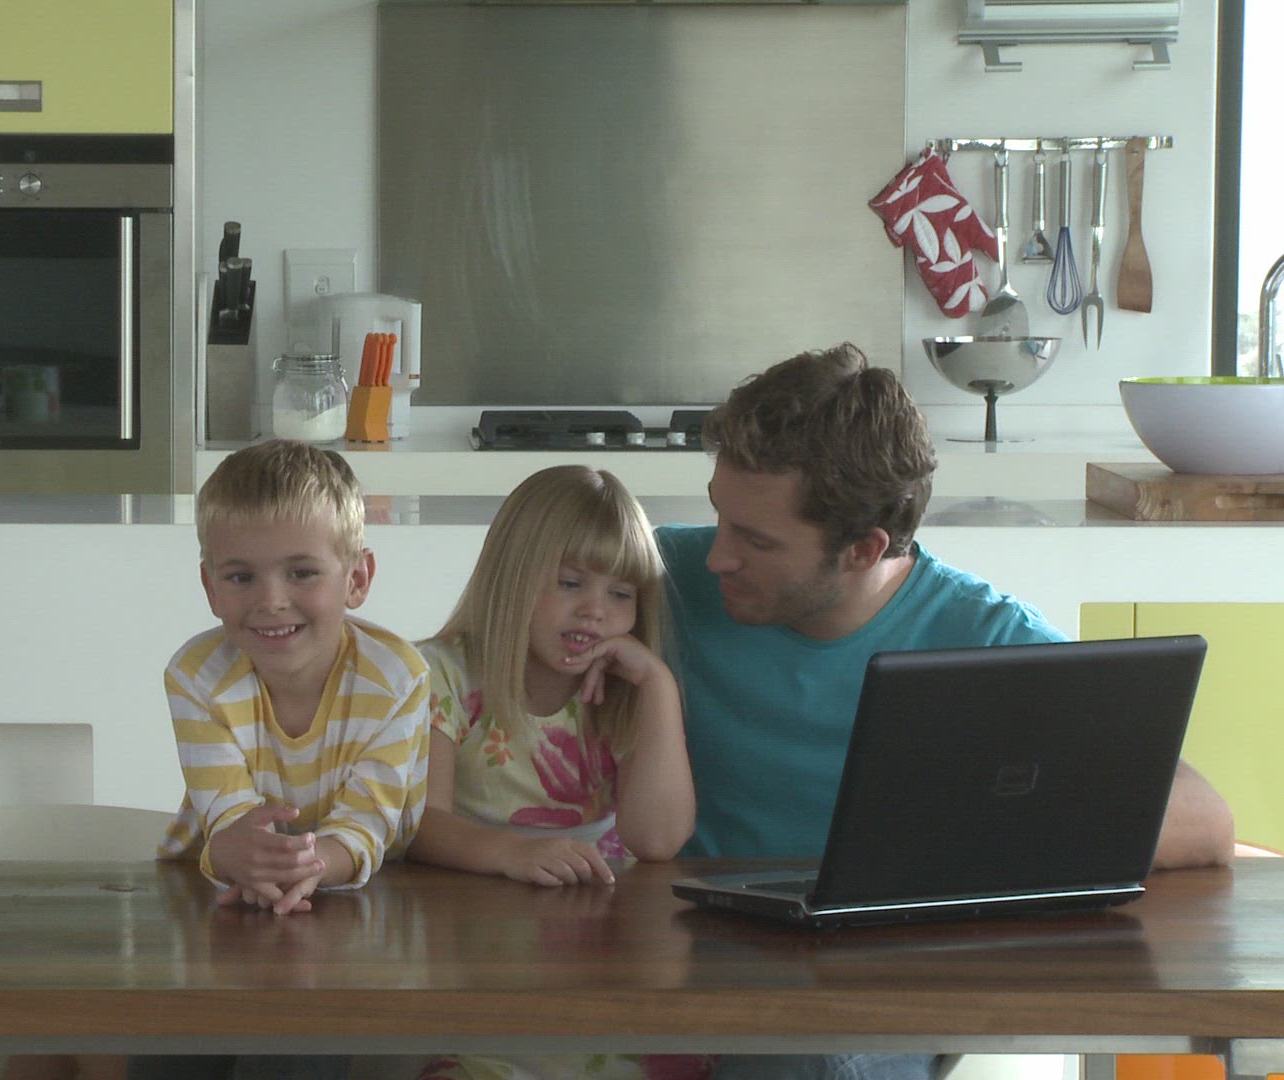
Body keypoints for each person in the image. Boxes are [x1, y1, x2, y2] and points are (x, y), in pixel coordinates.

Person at [652, 343, 1236, 1080]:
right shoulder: (654, 580)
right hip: (689, 955)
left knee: (817, 1060)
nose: (716, 557)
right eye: (719, 518)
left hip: (884, 982)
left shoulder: (985, 637)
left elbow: (1204, 820)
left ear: (863, 550)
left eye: (756, 540)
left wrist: (960, 851)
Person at [137, 438, 434, 1080]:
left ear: (357, 579)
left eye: (302, 573)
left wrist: (304, 865)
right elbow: (227, 816)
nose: (271, 600)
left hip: (358, 907)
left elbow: (369, 823)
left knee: (296, 1047)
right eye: (241, 576)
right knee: (164, 1050)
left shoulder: (399, 676)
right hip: (222, 903)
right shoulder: (196, 675)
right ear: (210, 586)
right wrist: (245, 857)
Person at [407, 464, 705, 1080]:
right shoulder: (439, 675)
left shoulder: (626, 691)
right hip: (478, 947)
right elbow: (419, 825)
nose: (595, 611)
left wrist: (658, 686)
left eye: (621, 594)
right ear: (511, 578)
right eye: (571, 583)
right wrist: (511, 853)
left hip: (600, 951)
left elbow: (658, 840)